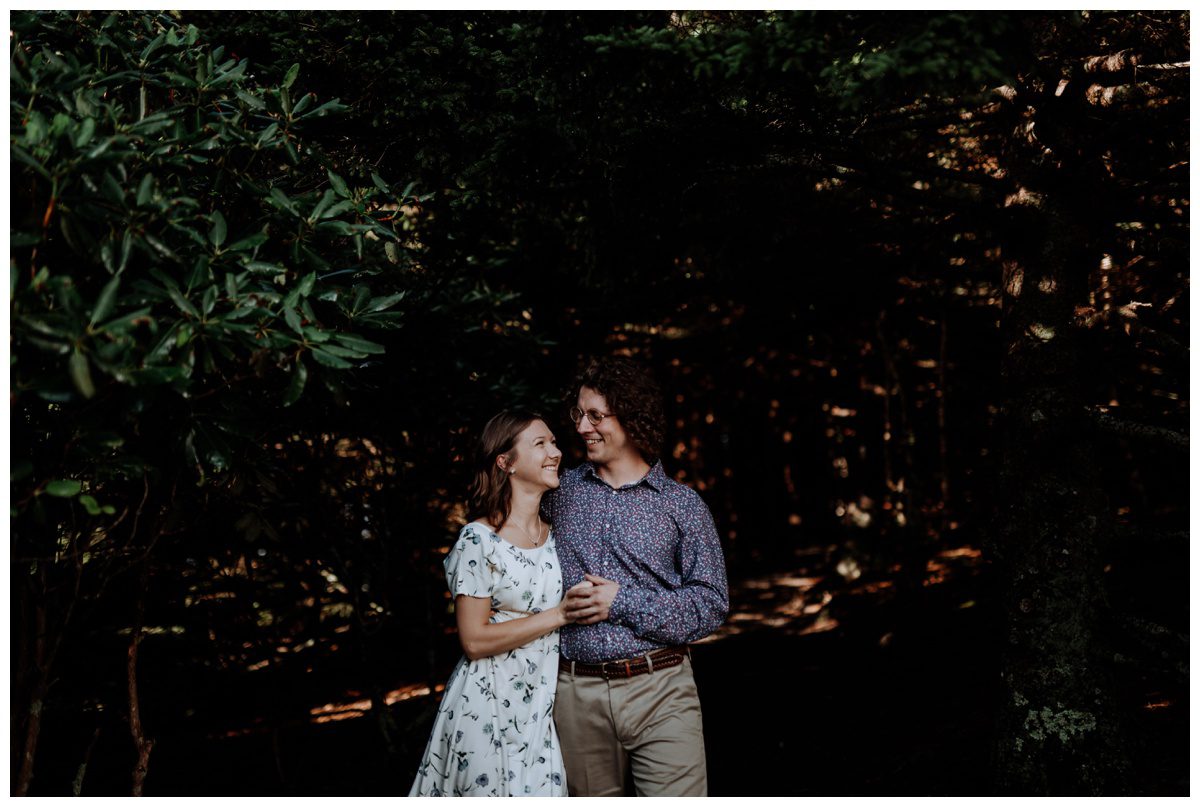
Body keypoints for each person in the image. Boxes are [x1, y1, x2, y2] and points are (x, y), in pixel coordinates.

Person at [542, 356, 729, 796]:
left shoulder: (682, 505)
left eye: (596, 416)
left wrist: (621, 601)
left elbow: (711, 603)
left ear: (630, 416)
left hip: (662, 689)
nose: (583, 427)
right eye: (579, 415)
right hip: (574, 693)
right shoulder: (558, 492)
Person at [410, 410, 585, 797]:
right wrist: (558, 615)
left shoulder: (560, 538)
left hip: (540, 710)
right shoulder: (478, 540)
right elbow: (473, 641)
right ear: (505, 463)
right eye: (540, 444)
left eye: (554, 442)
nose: (555, 452)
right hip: (485, 706)